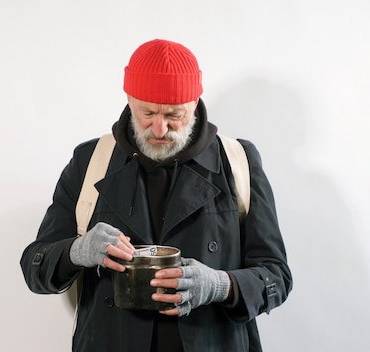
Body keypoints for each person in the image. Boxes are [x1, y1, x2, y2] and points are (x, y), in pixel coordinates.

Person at [20, 38, 292, 352]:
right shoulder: (90, 160)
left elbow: (277, 276)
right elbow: (34, 267)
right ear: (129, 99)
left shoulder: (238, 161)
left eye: (175, 115)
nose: (160, 129)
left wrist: (221, 286)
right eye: (147, 113)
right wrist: (77, 251)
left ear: (194, 102)